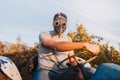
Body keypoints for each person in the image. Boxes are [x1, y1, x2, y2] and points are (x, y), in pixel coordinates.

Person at [33, 13, 100, 80]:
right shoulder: (44, 34)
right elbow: (56, 46)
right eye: (57, 22)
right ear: (53, 24)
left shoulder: (68, 39)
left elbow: (72, 58)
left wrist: (78, 71)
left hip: (64, 71)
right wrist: (85, 44)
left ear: (66, 24)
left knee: (91, 72)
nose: (60, 25)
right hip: (45, 70)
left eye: (63, 23)